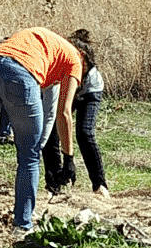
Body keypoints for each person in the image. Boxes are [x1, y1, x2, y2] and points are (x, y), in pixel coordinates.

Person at [0, 27, 93, 237]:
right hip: (20, 76)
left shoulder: (44, 40)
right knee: (29, 156)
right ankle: (22, 224)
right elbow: (64, 113)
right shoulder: (74, 58)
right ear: (84, 59)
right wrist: (68, 158)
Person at [44, 61, 110, 197]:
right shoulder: (61, 66)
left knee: (85, 133)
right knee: (51, 132)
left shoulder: (91, 76)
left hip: (90, 91)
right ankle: (54, 184)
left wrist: (69, 159)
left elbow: (65, 113)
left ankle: (100, 185)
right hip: (63, 89)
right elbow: (63, 113)